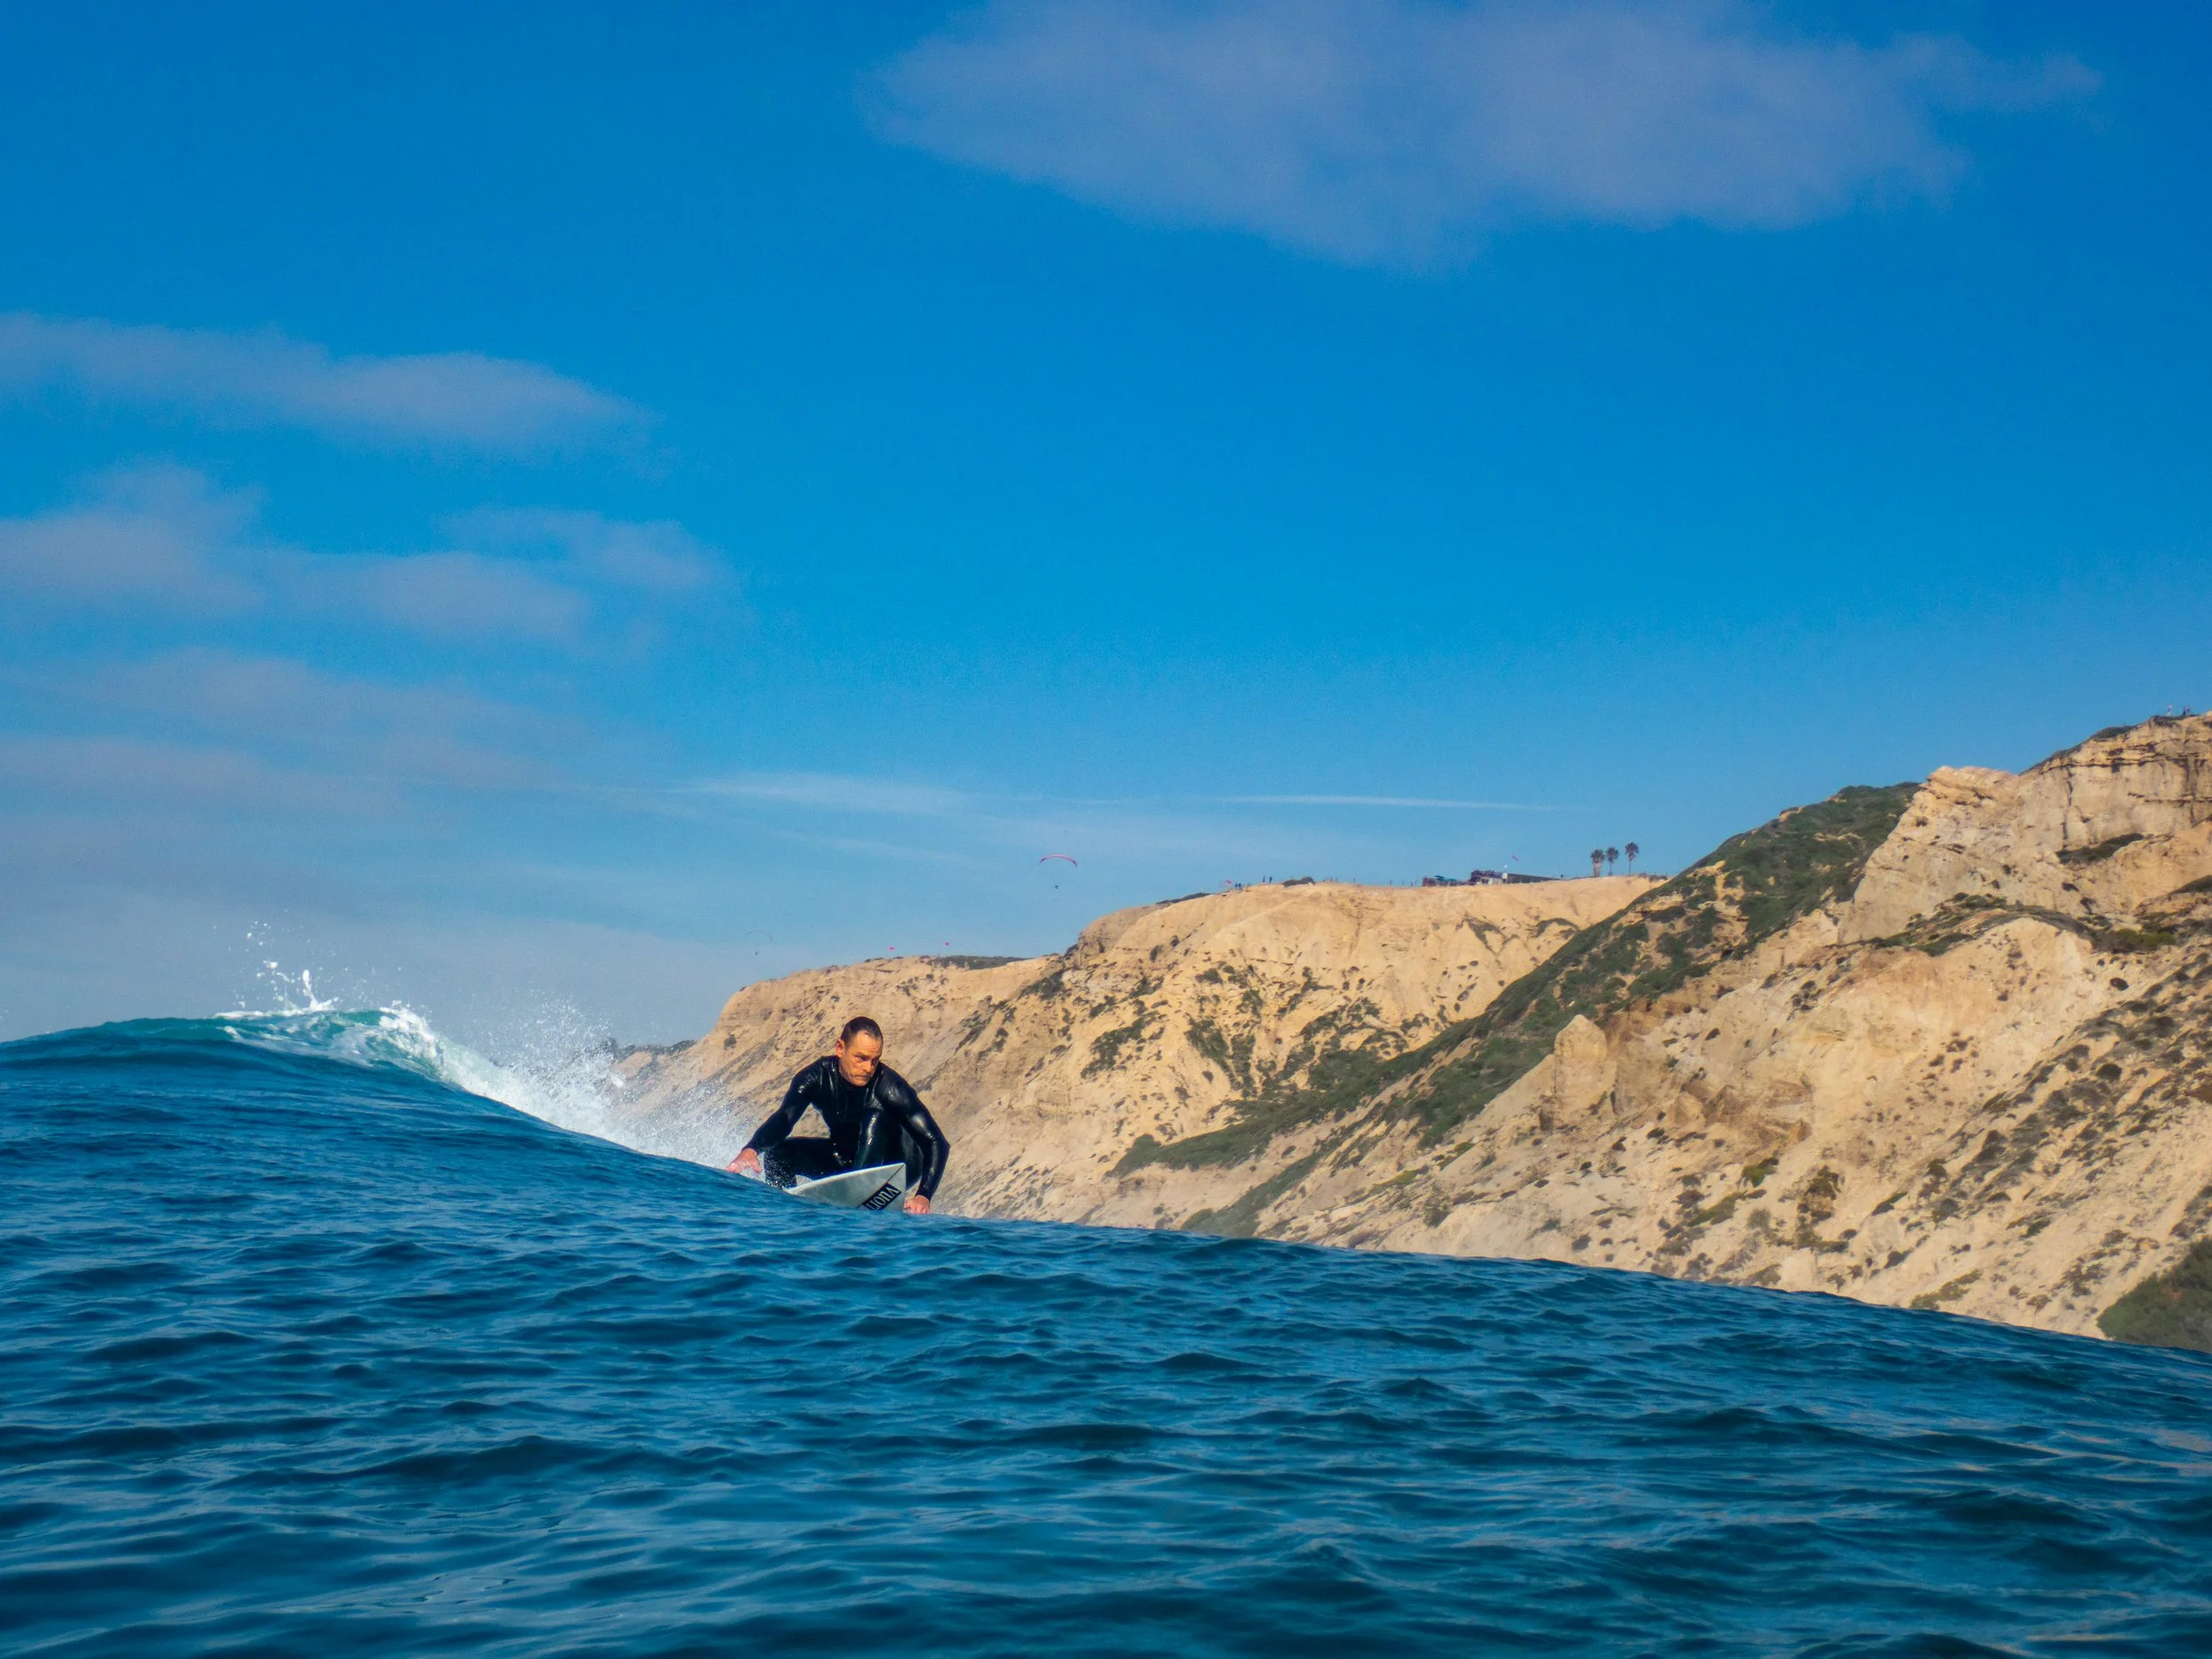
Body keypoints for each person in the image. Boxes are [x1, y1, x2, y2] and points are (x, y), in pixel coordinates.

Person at [726, 1016, 949, 1215]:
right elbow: (785, 1118)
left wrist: (924, 1195)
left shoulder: (890, 1088)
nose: (868, 1068)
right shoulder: (815, 1078)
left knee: (875, 1116)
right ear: (840, 1048)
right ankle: (785, 1212)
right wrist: (751, 1148)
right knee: (777, 1154)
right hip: (846, 1162)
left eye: (875, 1060)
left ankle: (859, 1188)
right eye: (861, 1058)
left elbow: (936, 1142)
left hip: (894, 1167)